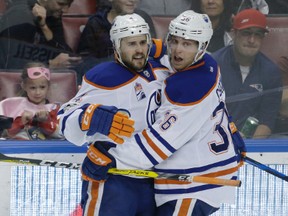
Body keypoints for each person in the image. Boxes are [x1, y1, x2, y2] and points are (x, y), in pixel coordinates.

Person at [75, 10, 244, 215]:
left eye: (187, 44)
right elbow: (160, 48)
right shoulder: (208, 64)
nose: (177, 51)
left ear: (202, 46)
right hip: (210, 170)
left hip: (192, 186)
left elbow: (155, 146)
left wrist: (109, 158)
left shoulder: (189, 88)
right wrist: (230, 127)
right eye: (174, 41)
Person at [57, 13, 170, 215]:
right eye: (131, 44)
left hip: (155, 180)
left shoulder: (162, 68)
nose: (138, 50)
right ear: (117, 46)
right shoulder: (104, 78)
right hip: (114, 181)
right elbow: (64, 120)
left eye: (143, 43)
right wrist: (88, 117)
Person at [212, 9, 282, 138]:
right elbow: (203, 114)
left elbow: (266, 122)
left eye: (258, 34)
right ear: (234, 34)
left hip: (251, 144)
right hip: (213, 140)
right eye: (246, 33)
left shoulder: (271, 72)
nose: (252, 40)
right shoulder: (213, 65)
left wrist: (247, 147)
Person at [0, 0, 82, 69]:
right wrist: (50, 65)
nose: (66, 10)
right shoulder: (18, 15)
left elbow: (65, 54)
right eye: (60, 4)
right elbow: (12, 65)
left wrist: (44, 27)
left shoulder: (53, 16)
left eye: (69, 5)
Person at [0, 62, 63, 140]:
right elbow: (5, 134)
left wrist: (45, 121)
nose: (38, 92)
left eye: (42, 87)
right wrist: (20, 122)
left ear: (48, 87)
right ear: (24, 86)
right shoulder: (10, 105)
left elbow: (60, 134)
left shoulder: (54, 109)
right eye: (33, 88)